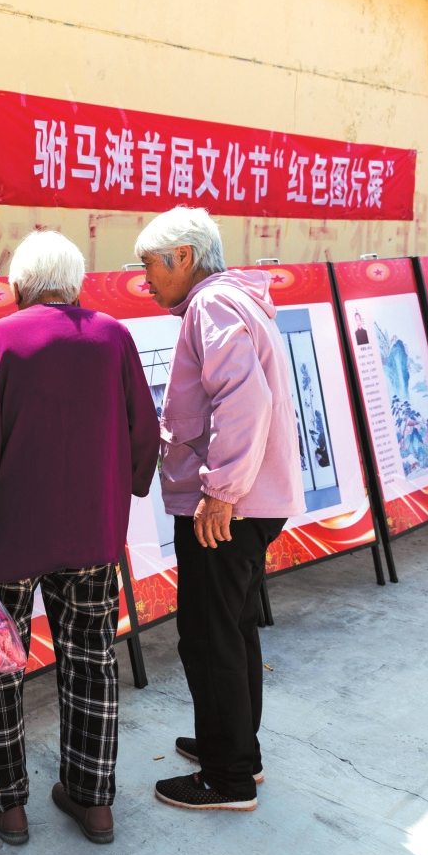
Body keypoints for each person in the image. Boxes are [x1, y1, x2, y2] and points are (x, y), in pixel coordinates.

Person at [0, 230, 159, 846]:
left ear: (19, 286)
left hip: (11, 537)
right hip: (93, 531)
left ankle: (7, 804)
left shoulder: (1, 340)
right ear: (76, 284)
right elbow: (144, 432)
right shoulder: (114, 337)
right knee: (92, 659)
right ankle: (94, 802)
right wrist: (123, 488)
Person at [133, 207, 303, 812]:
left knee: (209, 636)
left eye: (150, 266)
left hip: (230, 506)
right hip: (252, 500)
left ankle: (226, 778)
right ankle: (234, 750)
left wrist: (220, 492)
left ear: (183, 256)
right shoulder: (233, 300)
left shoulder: (212, 305)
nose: (145, 280)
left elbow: (243, 400)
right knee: (232, 628)